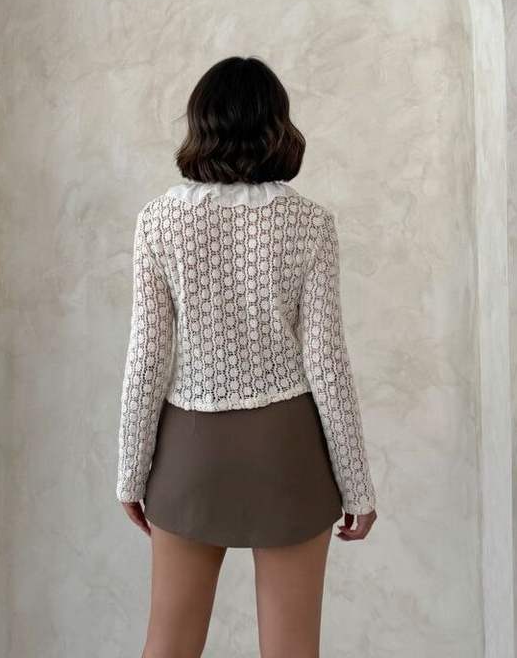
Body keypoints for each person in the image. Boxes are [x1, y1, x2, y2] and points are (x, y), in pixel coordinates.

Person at [116, 55, 377, 658]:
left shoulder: (158, 222)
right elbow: (327, 363)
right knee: (292, 649)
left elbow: (147, 358)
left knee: (168, 644)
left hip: (190, 454)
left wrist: (131, 472)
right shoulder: (310, 224)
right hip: (288, 453)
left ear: (200, 124)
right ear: (277, 127)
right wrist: (357, 487)